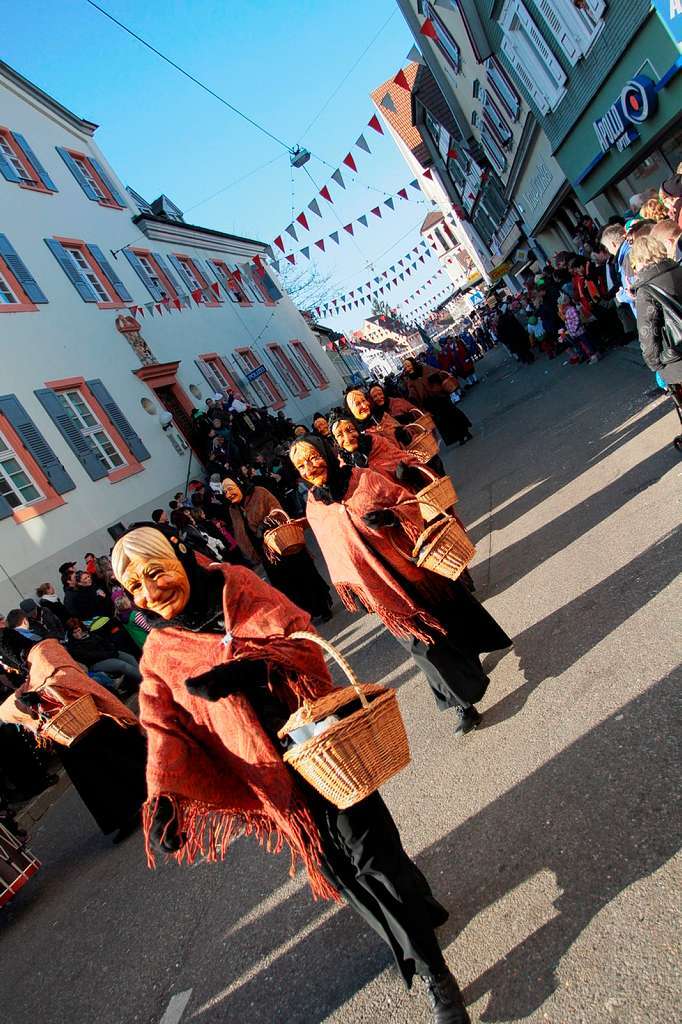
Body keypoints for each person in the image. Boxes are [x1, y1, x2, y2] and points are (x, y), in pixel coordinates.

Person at [110, 526, 471, 1022]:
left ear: (176, 555)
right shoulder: (159, 651)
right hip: (271, 781)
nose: (150, 592)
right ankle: (415, 914)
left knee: (375, 854)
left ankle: (435, 975)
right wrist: (165, 796)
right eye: (135, 588)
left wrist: (256, 668)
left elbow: (300, 636)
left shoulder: (236, 585)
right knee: (337, 870)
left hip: (318, 744)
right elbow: (161, 726)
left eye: (155, 573)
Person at [290, 436, 511, 737]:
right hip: (383, 590)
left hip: (414, 570)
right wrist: (359, 588)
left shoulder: (363, 478)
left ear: (326, 454)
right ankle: (463, 705)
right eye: (301, 465)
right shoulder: (315, 507)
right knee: (423, 647)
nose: (309, 467)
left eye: (313, 457)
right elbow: (335, 550)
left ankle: (470, 662)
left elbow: (408, 504)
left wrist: (390, 517)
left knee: (452, 622)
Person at [0, 640, 146, 843]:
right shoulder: (27, 671)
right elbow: (17, 705)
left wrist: (42, 692)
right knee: (97, 775)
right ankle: (126, 815)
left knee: (119, 759)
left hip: (90, 716)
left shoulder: (43, 651)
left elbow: (66, 676)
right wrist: (29, 700)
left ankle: (150, 797)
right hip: (69, 731)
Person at [221, 477, 332, 621]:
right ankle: (304, 614)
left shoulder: (259, 493)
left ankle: (323, 608)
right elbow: (240, 532)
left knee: (304, 576)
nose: (228, 494)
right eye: (224, 492)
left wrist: (265, 524)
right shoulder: (233, 509)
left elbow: (276, 509)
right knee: (285, 586)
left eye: (230, 488)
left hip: (283, 543)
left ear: (239, 484)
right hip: (266, 555)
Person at [632, 234, 682, 451]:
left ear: (640, 260)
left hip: (676, 355)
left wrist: (655, 363)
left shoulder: (646, 290)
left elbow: (647, 331)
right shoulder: (679, 269)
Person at [402, 359, 472, 447]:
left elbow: (437, 373)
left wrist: (433, 381)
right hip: (430, 404)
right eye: (405, 366)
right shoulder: (409, 380)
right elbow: (413, 394)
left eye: (408, 365)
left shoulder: (424, 369)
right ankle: (459, 438)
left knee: (453, 415)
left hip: (440, 397)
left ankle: (466, 432)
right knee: (444, 422)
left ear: (413, 364)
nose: (407, 367)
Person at [65, 618, 142, 693]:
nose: (78, 634)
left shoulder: (90, 633)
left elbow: (104, 642)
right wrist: (110, 654)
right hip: (95, 663)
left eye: (78, 630)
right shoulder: (73, 646)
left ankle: (141, 679)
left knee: (130, 658)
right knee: (122, 665)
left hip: (108, 653)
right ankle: (145, 681)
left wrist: (112, 650)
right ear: (70, 634)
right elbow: (91, 656)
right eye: (74, 633)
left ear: (81, 628)